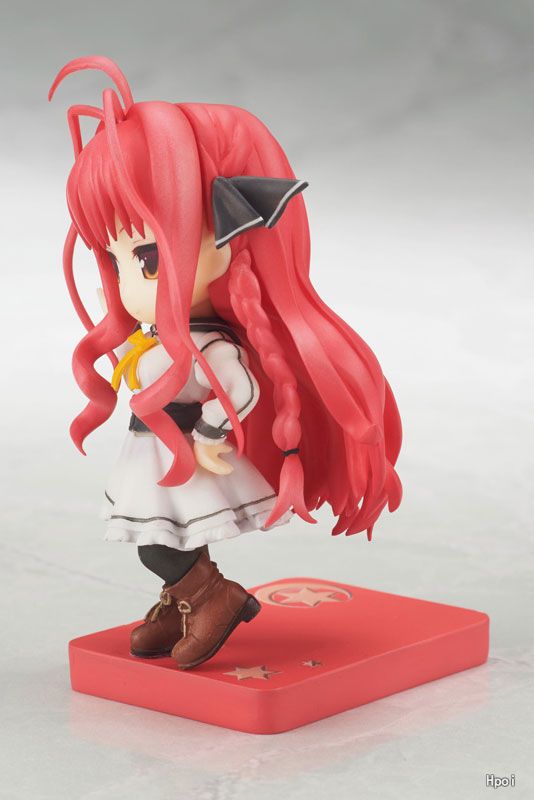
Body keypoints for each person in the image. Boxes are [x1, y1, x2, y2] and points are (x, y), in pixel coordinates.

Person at [49, 55, 402, 670]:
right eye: (116, 259)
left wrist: (213, 435)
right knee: (160, 540)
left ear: (227, 237)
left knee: (157, 543)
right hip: (156, 453)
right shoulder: (161, 336)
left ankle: (214, 597)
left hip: (186, 457)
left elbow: (237, 389)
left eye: (148, 257)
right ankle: (186, 599)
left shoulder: (210, 344)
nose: (130, 284)